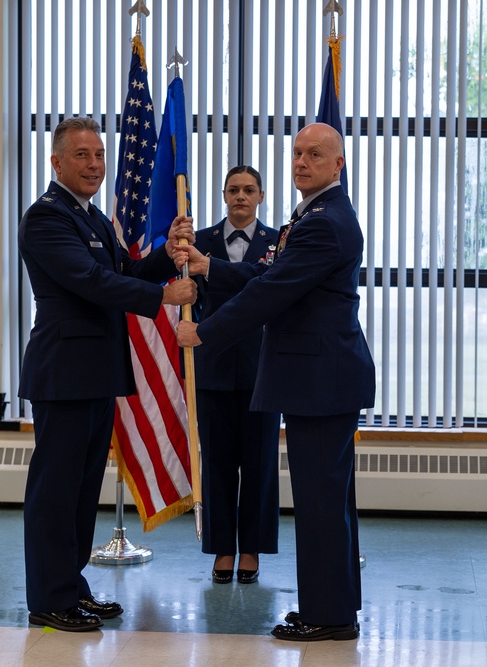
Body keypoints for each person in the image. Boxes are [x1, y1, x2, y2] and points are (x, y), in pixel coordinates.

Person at [175, 123, 375, 642]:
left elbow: (272, 293)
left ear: (339, 164)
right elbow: (268, 278)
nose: (302, 162)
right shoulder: (313, 215)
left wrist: (204, 331)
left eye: (315, 154)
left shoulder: (323, 222)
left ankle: (327, 616)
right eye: (297, 153)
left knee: (321, 504)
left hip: (320, 378)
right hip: (320, 376)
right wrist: (211, 268)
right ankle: (336, 606)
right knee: (326, 500)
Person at [18, 116, 196, 633]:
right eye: (82, 155)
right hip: (65, 373)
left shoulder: (92, 219)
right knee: (55, 492)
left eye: (99, 154)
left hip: (96, 374)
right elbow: (92, 281)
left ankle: (70, 588)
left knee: (79, 493)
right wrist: (162, 297)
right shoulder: (47, 218)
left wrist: (166, 254)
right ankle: (49, 600)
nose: (95, 164)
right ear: (56, 162)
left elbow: (125, 273)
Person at [191, 165, 281, 584]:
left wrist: (210, 269)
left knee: (259, 466)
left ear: (260, 196)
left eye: (249, 190)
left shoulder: (276, 242)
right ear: (223, 195)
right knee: (218, 465)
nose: (240, 196)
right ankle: (223, 549)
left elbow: (265, 283)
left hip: (262, 367)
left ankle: (252, 549)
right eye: (233, 190)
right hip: (212, 366)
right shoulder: (200, 242)